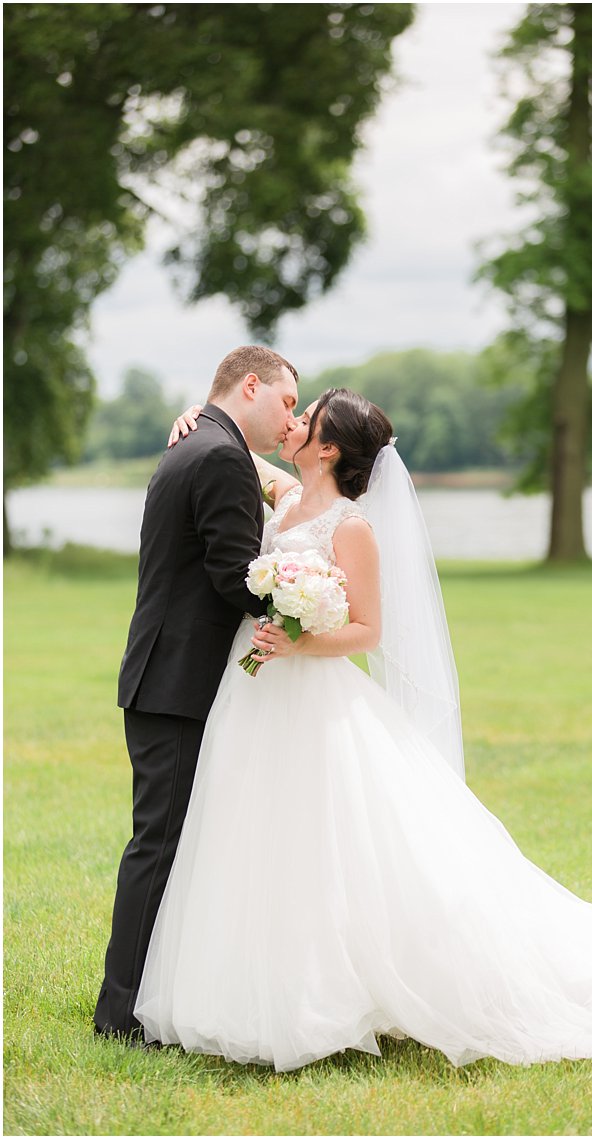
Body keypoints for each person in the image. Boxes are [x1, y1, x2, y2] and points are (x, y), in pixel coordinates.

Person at [134, 388, 592, 1071]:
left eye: (307, 415)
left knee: (329, 841)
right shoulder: (288, 497)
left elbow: (367, 629)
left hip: (313, 692)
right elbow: (226, 444)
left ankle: (335, 996)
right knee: (257, 833)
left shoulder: (352, 528)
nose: (291, 421)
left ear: (327, 447)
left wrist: (300, 635)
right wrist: (190, 417)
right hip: (254, 695)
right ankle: (254, 990)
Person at [96, 346, 299, 1040]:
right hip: (176, 681)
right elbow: (232, 575)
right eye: (286, 401)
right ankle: (119, 1014)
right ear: (251, 385)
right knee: (158, 845)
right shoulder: (216, 455)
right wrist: (299, 600)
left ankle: (147, 999)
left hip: (166, 674)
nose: (290, 416)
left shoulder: (200, 442)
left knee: (166, 844)